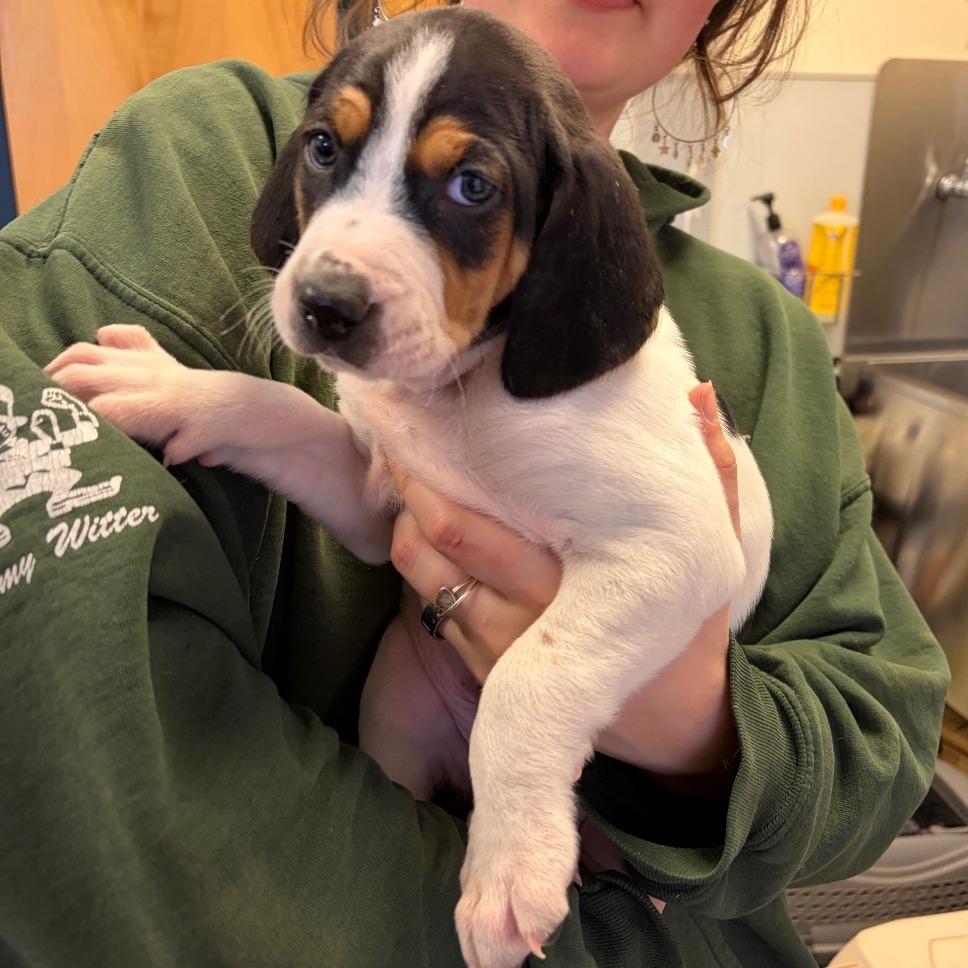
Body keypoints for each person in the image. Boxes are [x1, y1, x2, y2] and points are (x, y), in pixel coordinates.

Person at [0, 0, 948, 966]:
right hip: (407, 771)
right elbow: (382, 513)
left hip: (618, 844)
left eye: (469, 185)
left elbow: (691, 555)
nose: (339, 269)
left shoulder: (632, 369)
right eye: (329, 151)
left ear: (562, 238)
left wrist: (666, 740)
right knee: (403, 690)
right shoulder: (192, 149)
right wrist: (217, 406)